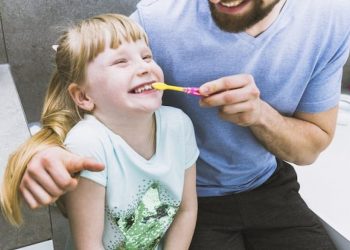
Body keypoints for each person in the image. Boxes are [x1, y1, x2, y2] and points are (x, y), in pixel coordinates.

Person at [2, 0, 350, 249]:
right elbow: (81, 95)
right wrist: (41, 151)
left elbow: (312, 146)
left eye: (148, 57)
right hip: (198, 198)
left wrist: (262, 115)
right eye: (125, 61)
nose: (144, 66)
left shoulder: (333, 17)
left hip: (269, 186)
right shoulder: (156, 20)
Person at [0, 13, 199, 250]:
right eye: (120, 62)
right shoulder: (88, 144)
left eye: (147, 56)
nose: (144, 68)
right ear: (83, 96)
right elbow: (90, 244)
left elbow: (187, 209)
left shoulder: (179, 125)